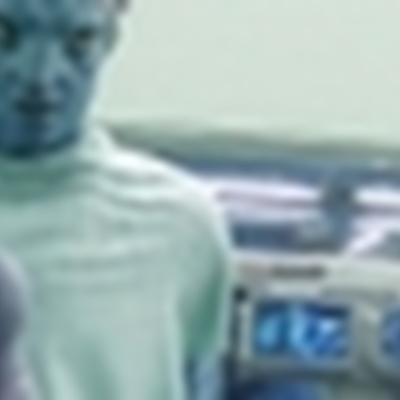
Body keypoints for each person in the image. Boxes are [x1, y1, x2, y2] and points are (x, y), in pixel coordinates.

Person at [0, 0, 233, 399]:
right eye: (6, 36)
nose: (40, 74)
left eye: (78, 40)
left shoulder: (181, 225)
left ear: (110, 39)